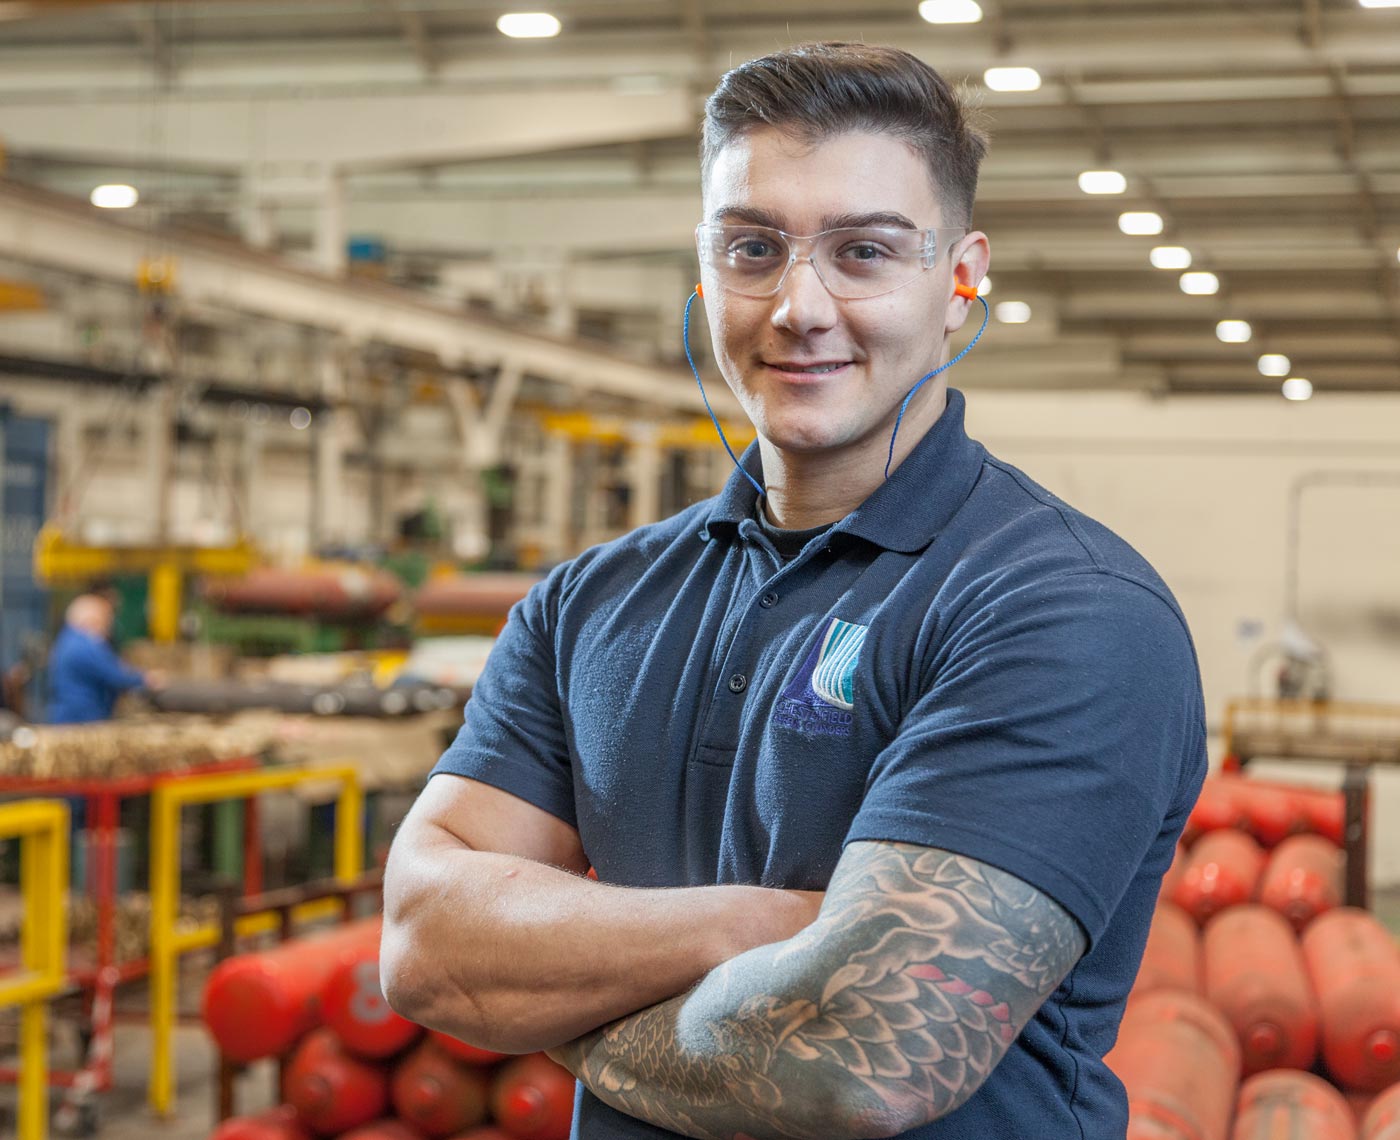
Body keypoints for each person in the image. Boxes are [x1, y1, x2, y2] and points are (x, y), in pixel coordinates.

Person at [382, 42, 1206, 1140]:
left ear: (960, 278)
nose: (797, 306)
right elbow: (421, 945)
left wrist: (535, 1002)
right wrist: (762, 928)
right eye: (752, 248)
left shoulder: (1064, 609)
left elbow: (851, 1068)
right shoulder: (590, 600)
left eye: (862, 251)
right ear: (703, 264)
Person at [45, 593, 160, 724]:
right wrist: (146, 679)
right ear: (92, 620)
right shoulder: (84, 645)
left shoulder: (68, 639)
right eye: (105, 621)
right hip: (82, 717)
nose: (108, 629)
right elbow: (116, 675)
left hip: (70, 715)